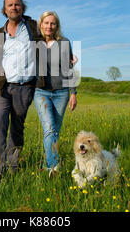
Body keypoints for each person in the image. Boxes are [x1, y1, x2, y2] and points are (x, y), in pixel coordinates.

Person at [0, 0, 42, 179]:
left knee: (17, 127)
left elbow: (52, 37)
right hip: (1, 87)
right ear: (4, 9)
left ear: (22, 8)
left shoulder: (34, 27)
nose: (14, 7)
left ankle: (12, 166)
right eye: (10, 4)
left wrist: (67, 54)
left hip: (25, 86)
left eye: (17, 4)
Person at [33, 11, 77, 178]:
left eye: (52, 23)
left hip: (61, 93)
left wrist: (73, 93)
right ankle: (54, 168)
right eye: (46, 23)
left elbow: (69, 68)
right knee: (50, 129)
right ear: (40, 24)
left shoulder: (64, 42)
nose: (49, 26)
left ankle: (47, 164)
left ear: (56, 26)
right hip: (40, 91)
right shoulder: (34, 42)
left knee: (54, 131)